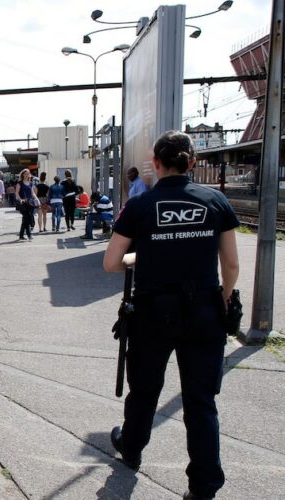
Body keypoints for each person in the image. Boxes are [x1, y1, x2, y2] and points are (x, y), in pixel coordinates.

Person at [103, 131, 239, 500]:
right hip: (206, 311)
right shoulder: (216, 201)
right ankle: (204, 486)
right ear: (192, 162)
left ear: (156, 163)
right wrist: (224, 299)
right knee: (201, 402)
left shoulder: (141, 206)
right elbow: (231, 263)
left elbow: (112, 262)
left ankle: (131, 449)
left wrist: (145, 256)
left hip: (152, 313)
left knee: (145, 389)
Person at [14, 168, 38, 241]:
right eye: (26, 173)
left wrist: (36, 199)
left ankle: (21, 235)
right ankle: (29, 235)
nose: (27, 175)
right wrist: (20, 199)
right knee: (27, 218)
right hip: (23, 203)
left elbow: (32, 193)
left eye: (28, 174)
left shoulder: (30, 183)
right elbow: (17, 193)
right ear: (23, 175)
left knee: (25, 220)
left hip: (30, 203)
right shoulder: (19, 183)